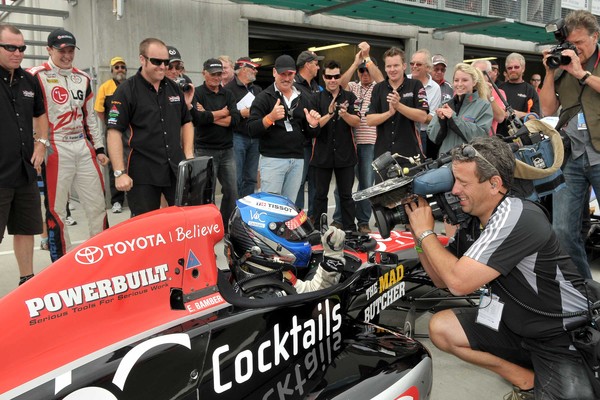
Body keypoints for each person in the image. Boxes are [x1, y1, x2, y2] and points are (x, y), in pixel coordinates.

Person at [405, 136, 596, 400]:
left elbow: (458, 283)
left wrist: (427, 232)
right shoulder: (474, 222)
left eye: (463, 182)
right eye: (454, 180)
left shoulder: (518, 216)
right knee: (441, 327)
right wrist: (419, 237)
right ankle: (523, 378)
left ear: (494, 184)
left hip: (560, 337)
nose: (455, 190)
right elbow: (441, 279)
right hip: (514, 327)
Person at [29, 28, 109, 262]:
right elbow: (29, 114)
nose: (66, 55)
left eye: (71, 50)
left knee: (96, 206)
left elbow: (90, 117)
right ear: (49, 50)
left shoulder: (82, 78)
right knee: (57, 211)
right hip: (55, 146)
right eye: (61, 50)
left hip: (83, 147)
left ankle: (102, 258)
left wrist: (100, 148)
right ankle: (62, 263)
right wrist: (36, 145)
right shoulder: (35, 75)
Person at [540, 9, 600, 280]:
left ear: (595, 36)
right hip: (572, 156)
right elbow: (548, 108)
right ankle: (587, 292)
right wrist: (550, 73)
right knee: (562, 230)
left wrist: (581, 73)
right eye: (571, 44)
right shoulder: (563, 62)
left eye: (580, 44)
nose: (575, 50)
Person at [106, 38, 194, 217]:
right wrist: (119, 172)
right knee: (145, 228)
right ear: (142, 59)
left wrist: (189, 154)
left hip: (175, 169)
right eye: (156, 61)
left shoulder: (174, 89)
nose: (163, 67)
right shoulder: (126, 90)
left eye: (166, 63)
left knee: (183, 222)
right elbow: (114, 132)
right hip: (142, 174)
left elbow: (187, 121)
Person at [0, 24, 48, 285]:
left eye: (21, 48)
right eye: (10, 47)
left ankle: (26, 281)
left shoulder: (29, 80)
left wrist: (41, 143)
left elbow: (40, 114)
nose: (17, 53)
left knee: (26, 229)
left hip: (25, 170)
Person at [227, 192, 346, 295]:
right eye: (289, 233)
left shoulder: (259, 271)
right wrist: (333, 257)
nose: (298, 237)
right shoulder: (270, 289)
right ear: (261, 238)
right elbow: (315, 293)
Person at [247, 54, 321, 202]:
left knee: (289, 206)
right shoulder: (263, 97)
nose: (286, 78)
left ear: (295, 73)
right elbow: (251, 129)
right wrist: (270, 118)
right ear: (274, 72)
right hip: (273, 160)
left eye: (290, 74)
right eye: (283, 74)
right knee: (271, 205)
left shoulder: (303, 98)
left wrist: (313, 124)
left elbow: (311, 133)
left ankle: (287, 226)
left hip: (297, 160)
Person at [333, 41, 385, 233]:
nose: (365, 74)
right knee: (343, 185)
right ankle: (339, 219)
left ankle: (363, 222)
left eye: (367, 70)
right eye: (362, 71)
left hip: (370, 143)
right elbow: (339, 84)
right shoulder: (353, 87)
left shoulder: (378, 88)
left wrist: (368, 59)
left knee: (366, 185)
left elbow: (382, 81)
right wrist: (356, 63)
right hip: (351, 143)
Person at [190, 58, 241, 230]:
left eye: (219, 74)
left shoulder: (228, 94)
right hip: (205, 150)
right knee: (206, 193)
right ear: (204, 73)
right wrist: (222, 113)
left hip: (227, 150)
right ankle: (208, 228)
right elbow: (197, 119)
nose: (217, 77)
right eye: (213, 74)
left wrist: (210, 115)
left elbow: (234, 120)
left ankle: (225, 226)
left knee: (232, 191)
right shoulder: (196, 93)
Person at [312, 60, 360, 231]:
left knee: (346, 195)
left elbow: (357, 122)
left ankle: (350, 229)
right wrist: (330, 114)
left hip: (345, 154)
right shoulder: (316, 98)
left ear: (341, 77)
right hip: (322, 154)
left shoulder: (350, 97)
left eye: (336, 76)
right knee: (320, 195)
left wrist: (345, 115)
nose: (332, 80)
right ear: (323, 78)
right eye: (329, 76)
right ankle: (318, 230)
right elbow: (314, 126)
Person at [366, 47, 429, 175]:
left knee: (411, 195)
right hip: (383, 157)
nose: (392, 69)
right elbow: (369, 120)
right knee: (382, 195)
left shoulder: (415, 85)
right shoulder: (378, 88)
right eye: (389, 66)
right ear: (384, 68)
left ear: (404, 66)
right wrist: (389, 113)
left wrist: (398, 106)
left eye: (396, 65)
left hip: (409, 156)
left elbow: (423, 116)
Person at [427, 63, 492, 155]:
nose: (459, 84)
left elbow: (480, 137)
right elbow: (433, 137)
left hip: (469, 161)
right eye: (456, 80)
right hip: (445, 160)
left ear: (474, 82)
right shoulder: (445, 104)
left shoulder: (483, 106)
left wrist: (453, 118)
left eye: (464, 80)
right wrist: (441, 122)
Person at [94, 56, 128, 214]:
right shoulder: (105, 87)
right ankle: (116, 201)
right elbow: (99, 110)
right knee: (114, 166)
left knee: (133, 162)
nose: (120, 70)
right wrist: (110, 125)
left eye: (122, 67)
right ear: (112, 71)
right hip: (114, 132)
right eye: (117, 67)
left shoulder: (130, 85)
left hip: (131, 132)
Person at [225, 57, 262, 198]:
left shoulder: (257, 89)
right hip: (237, 137)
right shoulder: (229, 89)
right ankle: (236, 212)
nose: (255, 71)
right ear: (242, 69)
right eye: (252, 68)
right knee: (236, 179)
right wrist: (241, 113)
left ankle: (247, 211)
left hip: (255, 137)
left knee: (251, 178)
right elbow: (225, 113)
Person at [294, 50, 324, 219]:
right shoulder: (294, 86)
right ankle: (297, 220)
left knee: (315, 183)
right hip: (302, 144)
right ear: (307, 64)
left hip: (316, 143)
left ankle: (313, 219)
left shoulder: (315, 87)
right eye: (316, 64)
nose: (318, 67)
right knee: (298, 184)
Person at [497, 52, 541, 136]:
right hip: (500, 137)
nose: (513, 70)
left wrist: (518, 114)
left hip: (522, 137)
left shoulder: (530, 90)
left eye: (516, 67)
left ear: (523, 68)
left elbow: (535, 117)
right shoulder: (499, 89)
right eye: (509, 68)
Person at [408, 49, 441, 157]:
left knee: (420, 169)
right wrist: (419, 114)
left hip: (423, 135)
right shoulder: (403, 80)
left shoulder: (435, 88)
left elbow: (432, 118)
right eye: (412, 63)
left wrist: (408, 112)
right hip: (402, 131)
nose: (414, 66)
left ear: (428, 68)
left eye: (419, 64)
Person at [472, 59, 506, 135]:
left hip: (486, 141)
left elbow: (500, 118)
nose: (477, 77)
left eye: (481, 73)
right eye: (474, 73)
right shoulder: (466, 90)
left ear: (489, 74)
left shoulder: (498, 92)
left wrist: (489, 96)